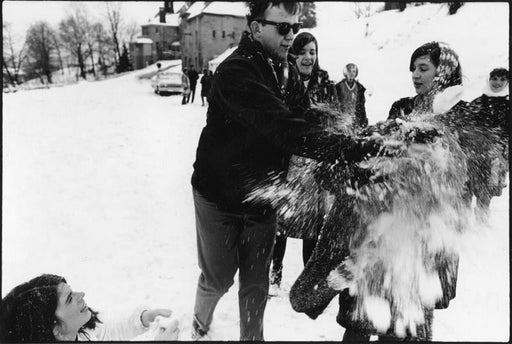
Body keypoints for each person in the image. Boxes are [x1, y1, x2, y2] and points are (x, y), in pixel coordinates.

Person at [190, 1, 383, 340]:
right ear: (255, 28)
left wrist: (361, 137)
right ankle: (198, 325)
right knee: (219, 278)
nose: (290, 35)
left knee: (255, 282)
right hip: (219, 195)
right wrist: (349, 150)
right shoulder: (236, 72)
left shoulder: (284, 69)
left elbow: (304, 117)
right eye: (283, 27)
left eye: (294, 27)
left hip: (263, 195)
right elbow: (284, 128)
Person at [290, 41, 466, 341]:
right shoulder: (402, 108)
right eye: (413, 68)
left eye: (423, 68)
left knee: (402, 322)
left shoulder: (457, 116)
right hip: (379, 229)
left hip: (419, 241)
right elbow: (377, 154)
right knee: (362, 318)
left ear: (444, 71)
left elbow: (456, 174)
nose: (415, 75)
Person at [270, 31, 332, 290]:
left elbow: (332, 123)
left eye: (313, 52)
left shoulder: (325, 85)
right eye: (304, 51)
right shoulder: (282, 81)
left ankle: (307, 280)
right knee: (280, 224)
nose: (308, 57)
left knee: (312, 226)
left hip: (313, 164)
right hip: (287, 162)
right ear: (293, 54)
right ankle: (275, 275)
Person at [0, 274, 179, 342]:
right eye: (70, 299)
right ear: (57, 331)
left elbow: (104, 329)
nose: (82, 294)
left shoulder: (76, 330)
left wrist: (142, 319)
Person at [466, 68, 509, 220]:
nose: (497, 82)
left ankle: (481, 229)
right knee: (465, 192)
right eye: (494, 78)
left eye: (502, 79)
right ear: (489, 79)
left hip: (494, 160)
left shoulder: (508, 105)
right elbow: (464, 128)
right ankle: (462, 229)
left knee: (485, 197)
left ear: (507, 82)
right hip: (472, 157)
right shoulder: (477, 103)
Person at [335, 63, 369, 129]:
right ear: (345, 72)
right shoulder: (338, 87)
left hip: (354, 120)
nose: (352, 73)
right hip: (341, 119)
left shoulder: (359, 88)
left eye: (354, 71)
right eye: (349, 71)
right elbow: (335, 103)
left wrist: (363, 121)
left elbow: (361, 107)